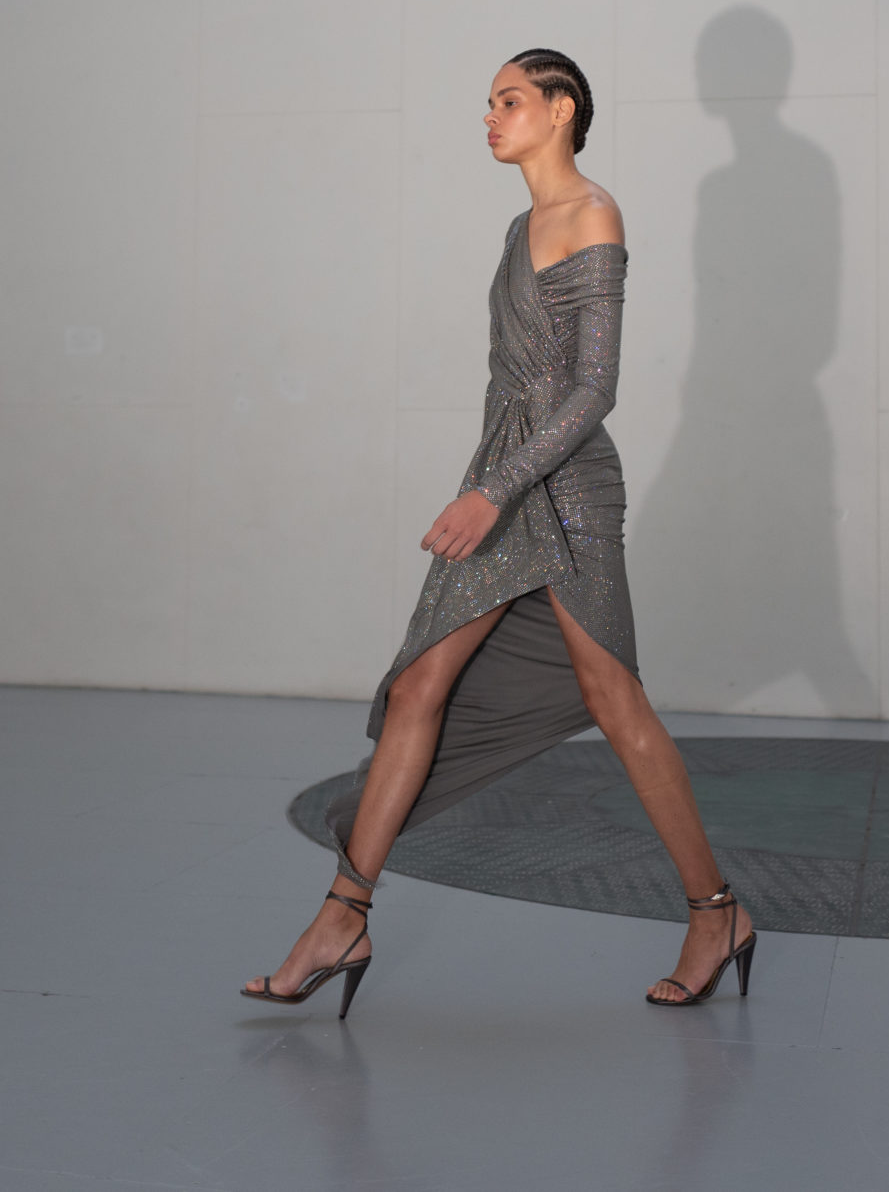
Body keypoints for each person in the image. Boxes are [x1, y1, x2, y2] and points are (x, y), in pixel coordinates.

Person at [243, 50, 755, 1017]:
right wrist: (487, 485)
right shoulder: (519, 227)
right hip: (503, 482)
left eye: (509, 100)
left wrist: (493, 491)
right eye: (487, 102)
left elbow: (593, 391)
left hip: (564, 495)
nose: (490, 115)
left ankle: (715, 912)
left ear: (562, 110)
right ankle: (343, 916)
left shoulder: (592, 214)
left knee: (615, 702)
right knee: (419, 683)